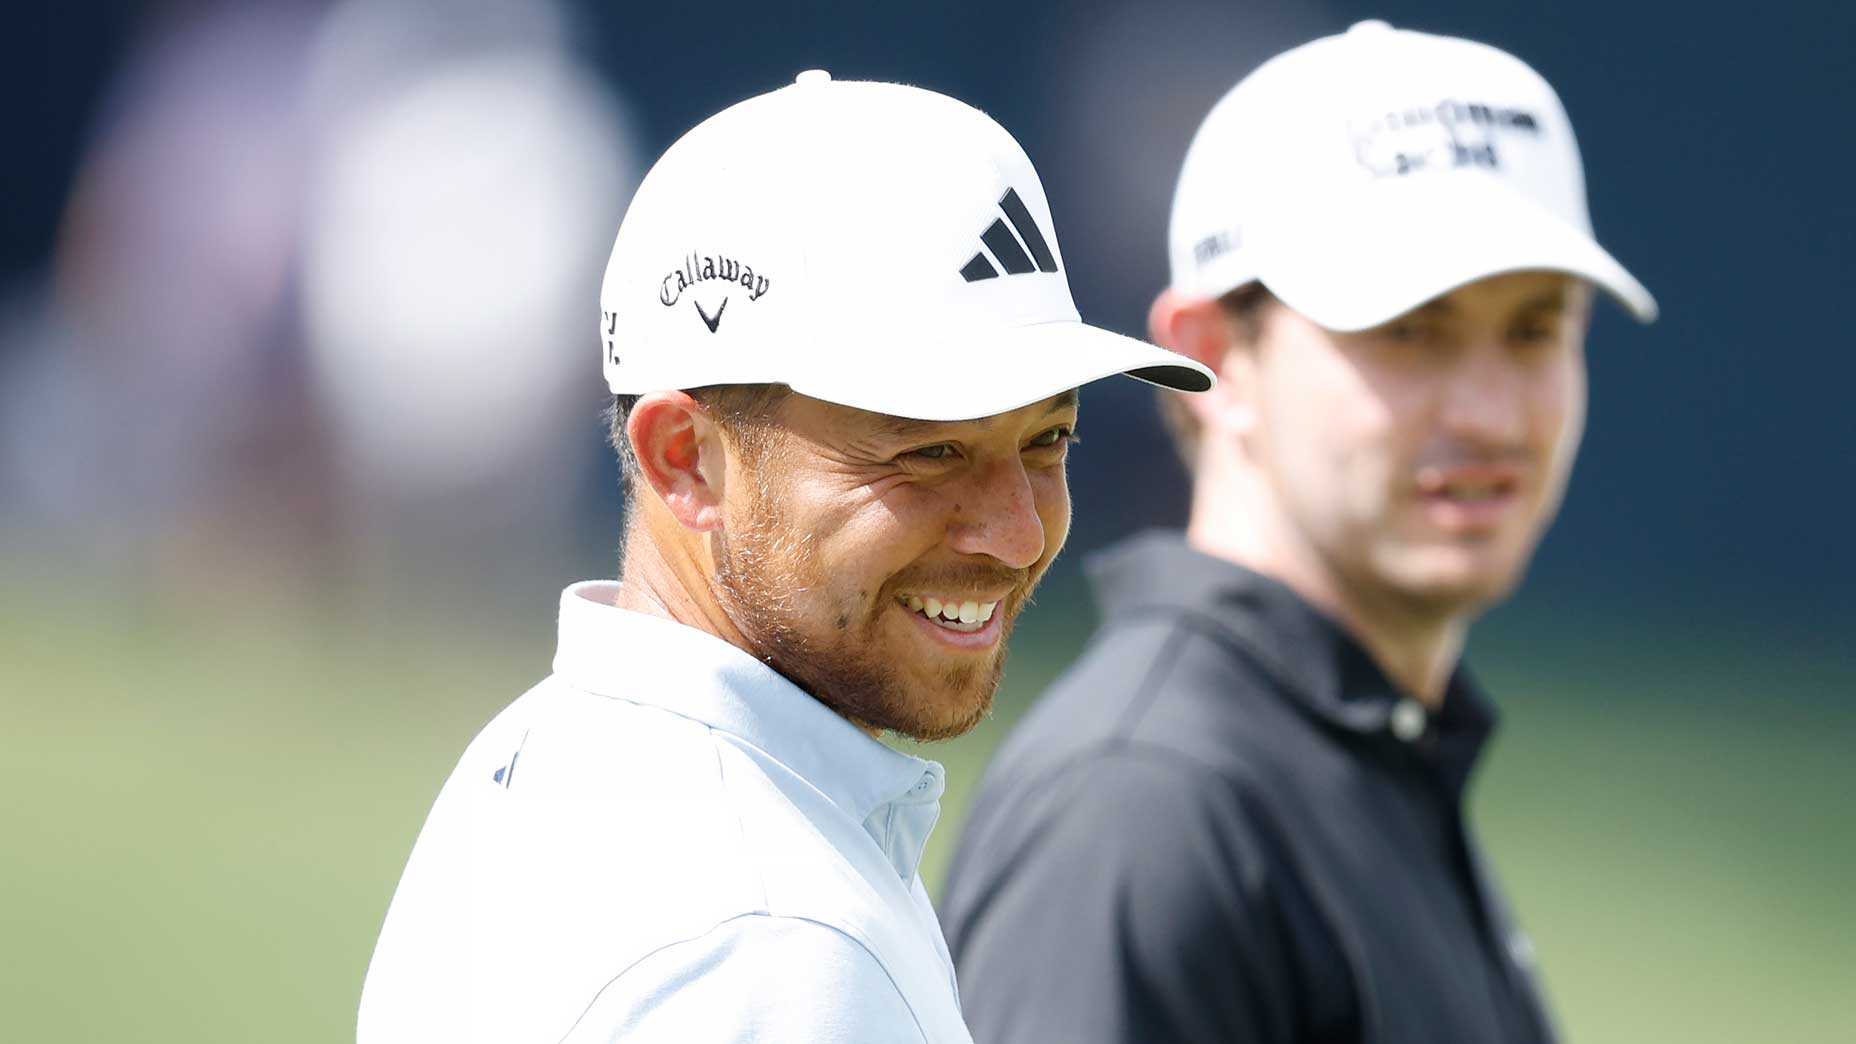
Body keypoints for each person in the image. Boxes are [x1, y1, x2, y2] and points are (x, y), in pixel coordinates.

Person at [355, 70, 1211, 1044]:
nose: (1015, 532)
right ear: (686, 460)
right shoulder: (778, 949)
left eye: (1045, 442)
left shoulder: (541, 756)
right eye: (927, 452)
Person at [940, 21, 1656, 1044]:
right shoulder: (1142, 806)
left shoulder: (1353, 755)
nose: (1490, 414)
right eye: (1408, 328)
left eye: (1532, 328)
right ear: (1213, 354)